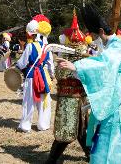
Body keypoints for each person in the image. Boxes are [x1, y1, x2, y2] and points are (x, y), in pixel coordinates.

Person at [56, 4, 121, 164]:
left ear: (101, 32)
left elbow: (105, 65)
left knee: (112, 143)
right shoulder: (112, 46)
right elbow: (101, 64)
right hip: (114, 100)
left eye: (95, 36)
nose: (94, 40)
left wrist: (77, 66)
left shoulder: (117, 46)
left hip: (118, 104)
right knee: (105, 140)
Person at [46, 10, 90, 164]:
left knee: (78, 129)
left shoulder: (82, 60)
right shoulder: (64, 60)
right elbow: (61, 75)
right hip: (69, 100)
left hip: (77, 100)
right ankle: (52, 160)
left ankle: (90, 155)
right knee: (72, 130)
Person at [16, 16, 55, 133]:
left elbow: (22, 64)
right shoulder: (47, 48)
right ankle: (43, 125)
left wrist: (16, 65)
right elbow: (51, 65)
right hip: (43, 76)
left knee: (29, 101)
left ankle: (25, 126)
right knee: (43, 101)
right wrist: (52, 75)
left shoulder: (30, 46)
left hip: (31, 76)